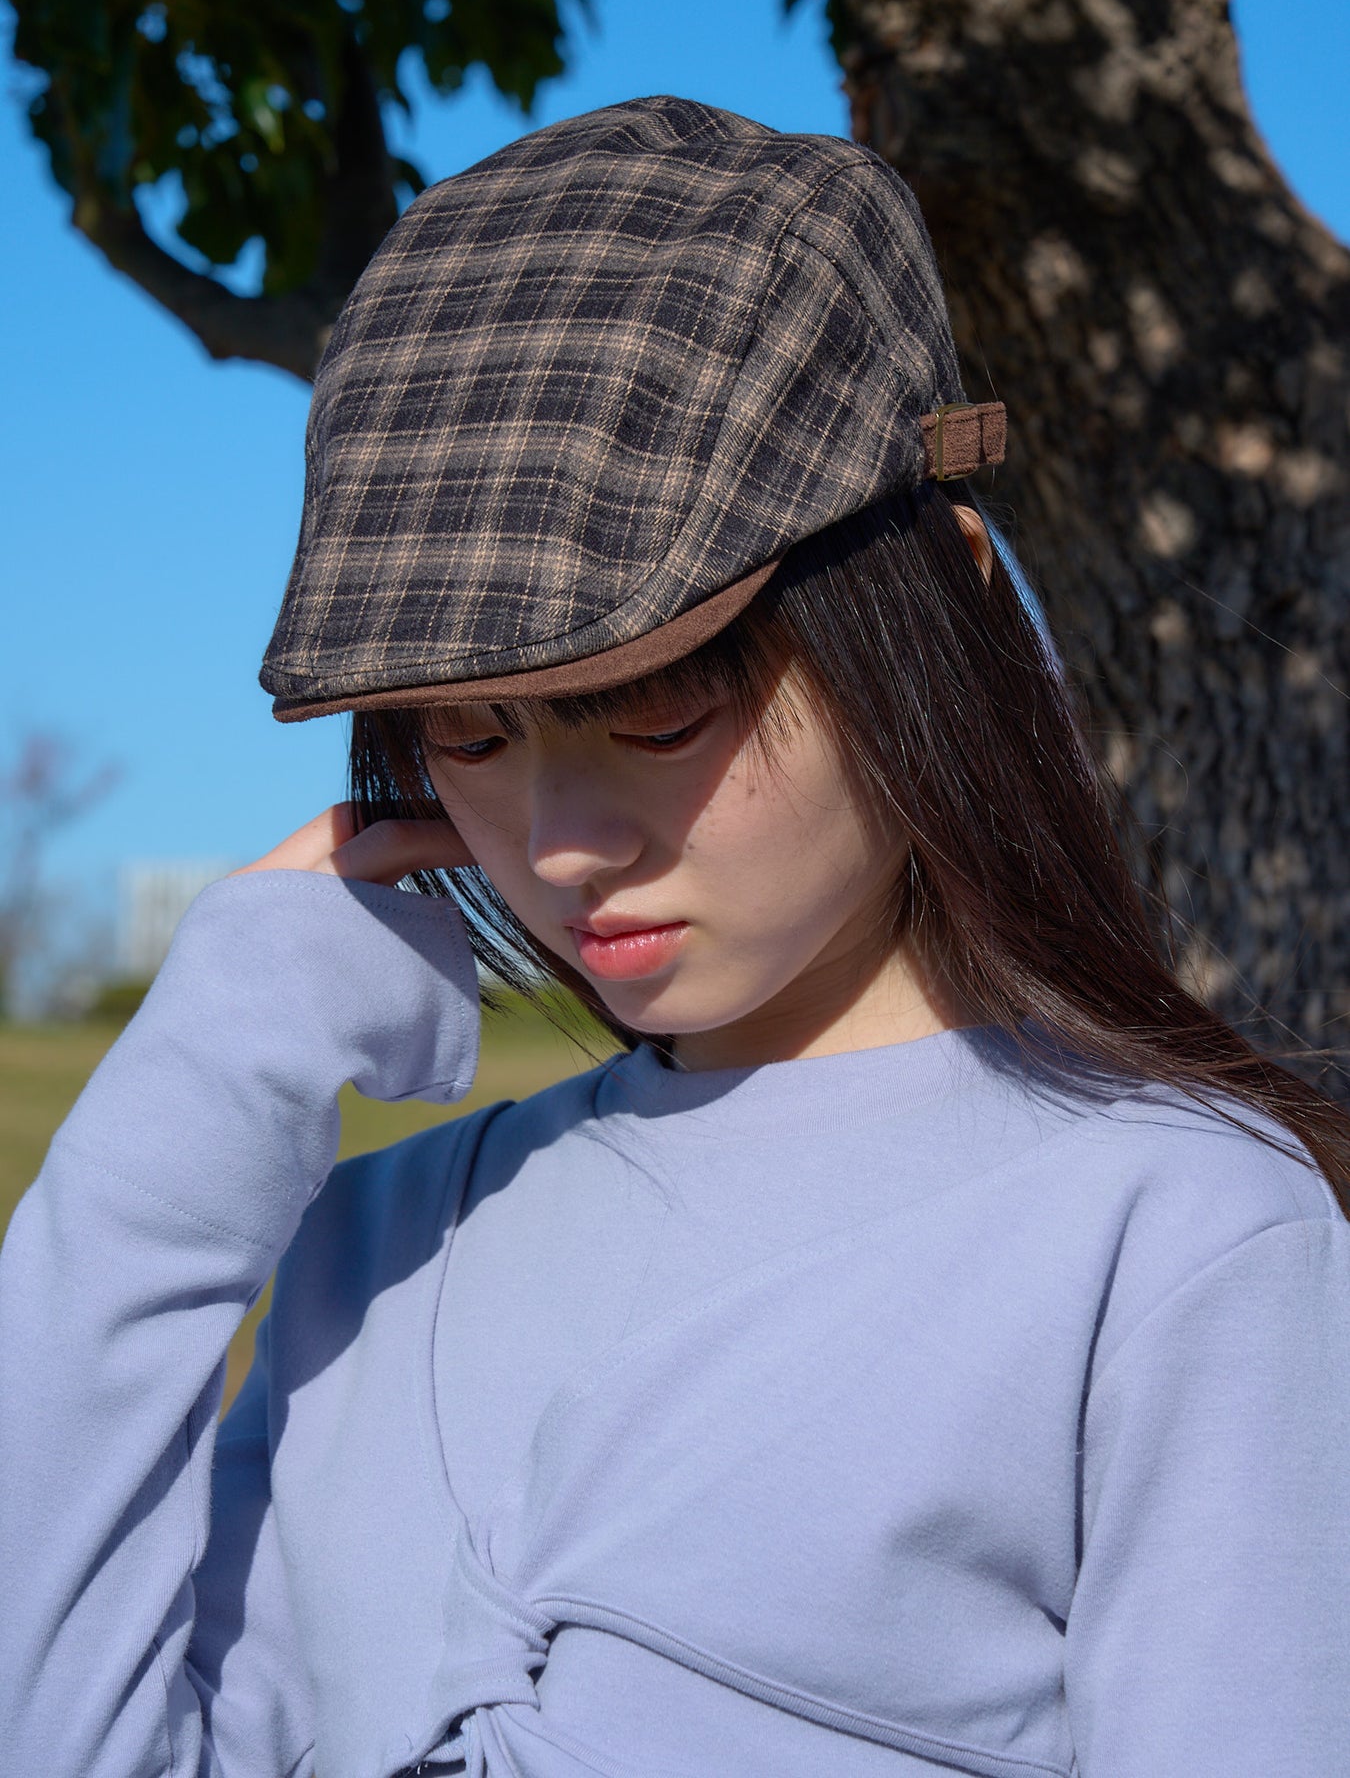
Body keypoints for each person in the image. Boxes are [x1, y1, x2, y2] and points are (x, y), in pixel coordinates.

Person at [2, 94, 1348, 1778]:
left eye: (658, 713)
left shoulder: (1173, 1234)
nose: (564, 843)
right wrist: (197, 1089)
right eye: (466, 735)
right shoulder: (378, 1238)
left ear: (943, 588)